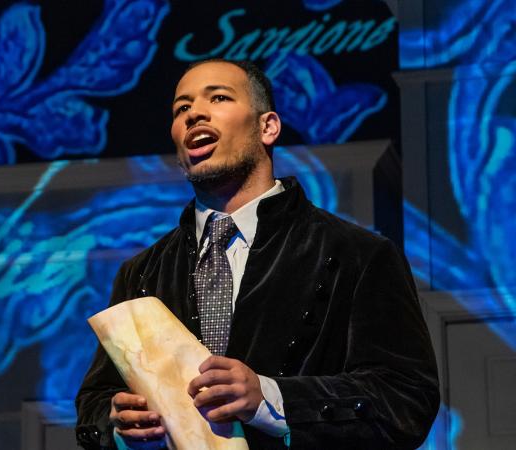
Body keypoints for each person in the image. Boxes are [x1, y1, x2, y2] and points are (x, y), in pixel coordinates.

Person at [75, 59, 439, 449]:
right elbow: (94, 404)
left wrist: (270, 398)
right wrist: (118, 427)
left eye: (218, 97)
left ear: (268, 127)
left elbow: (405, 398)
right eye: (181, 108)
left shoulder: (357, 254)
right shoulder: (142, 273)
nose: (194, 112)